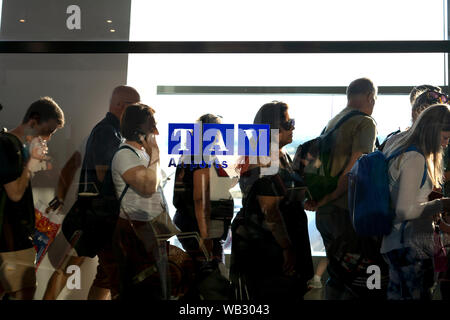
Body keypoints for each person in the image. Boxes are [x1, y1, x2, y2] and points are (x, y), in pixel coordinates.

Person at [42, 85, 140, 300]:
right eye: (135, 107)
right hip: (94, 217)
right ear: (120, 105)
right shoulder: (107, 132)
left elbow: (73, 166)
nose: (137, 113)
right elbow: (104, 174)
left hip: (100, 216)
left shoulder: (112, 132)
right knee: (71, 269)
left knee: (103, 274)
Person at [305, 78, 387, 299]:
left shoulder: (333, 122)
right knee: (359, 282)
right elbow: (355, 171)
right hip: (344, 212)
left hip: (326, 214)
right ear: (370, 97)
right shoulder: (365, 122)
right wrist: (329, 198)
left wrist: (322, 201)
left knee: (338, 274)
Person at [230, 101, 313, 301]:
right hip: (268, 249)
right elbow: (270, 211)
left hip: (276, 242)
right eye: (288, 123)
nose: (293, 127)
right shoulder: (262, 159)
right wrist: (287, 248)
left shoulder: (279, 155)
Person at [381, 104, 450, 300]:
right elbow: (404, 210)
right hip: (410, 246)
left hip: (396, 242)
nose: (446, 144)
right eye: (445, 138)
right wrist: (442, 204)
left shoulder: (398, 145)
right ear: (432, 132)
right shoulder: (415, 158)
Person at [0, 97, 64, 300]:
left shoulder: (15, 147)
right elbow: (15, 193)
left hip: (13, 237)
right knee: (24, 292)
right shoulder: (8, 145)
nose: (48, 138)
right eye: (48, 131)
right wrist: (32, 162)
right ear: (33, 121)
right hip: (11, 239)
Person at [111, 103, 174, 300]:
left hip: (151, 231)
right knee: (142, 289)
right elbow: (147, 186)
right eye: (151, 126)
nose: (156, 131)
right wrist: (155, 154)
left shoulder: (143, 155)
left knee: (158, 289)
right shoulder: (124, 155)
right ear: (138, 131)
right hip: (136, 233)